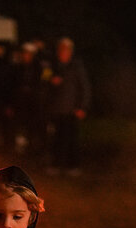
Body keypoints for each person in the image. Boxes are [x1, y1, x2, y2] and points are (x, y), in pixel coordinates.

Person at [45, 37, 90, 175]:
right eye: (61, 50)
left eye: (66, 50)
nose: (63, 53)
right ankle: (56, 164)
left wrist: (82, 107)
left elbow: (85, 88)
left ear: (70, 52)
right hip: (57, 109)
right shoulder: (53, 66)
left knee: (72, 139)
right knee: (57, 138)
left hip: (72, 110)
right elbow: (43, 80)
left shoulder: (76, 67)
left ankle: (73, 166)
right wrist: (51, 80)